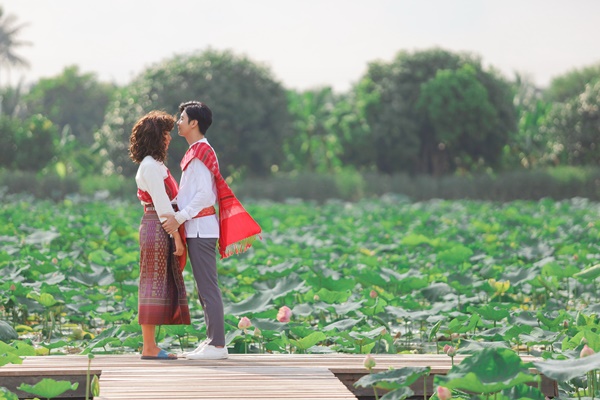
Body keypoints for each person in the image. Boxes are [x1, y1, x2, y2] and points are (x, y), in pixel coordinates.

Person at [161, 101, 261, 360]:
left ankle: (217, 345)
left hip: (201, 229)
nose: (178, 122)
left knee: (208, 288)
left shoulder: (202, 151)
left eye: (182, 118)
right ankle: (211, 340)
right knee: (203, 288)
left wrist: (179, 217)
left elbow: (205, 195)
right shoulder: (195, 151)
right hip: (197, 228)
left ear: (194, 123)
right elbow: (189, 193)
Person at [129, 110, 191, 360]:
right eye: (165, 133)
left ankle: (151, 345)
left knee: (157, 282)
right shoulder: (149, 167)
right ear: (156, 137)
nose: (169, 138)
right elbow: (163, 206)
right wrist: (177, 237)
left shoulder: (155, 165)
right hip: (158, 225)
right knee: (152, 283)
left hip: (158, 224)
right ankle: (149, 347)